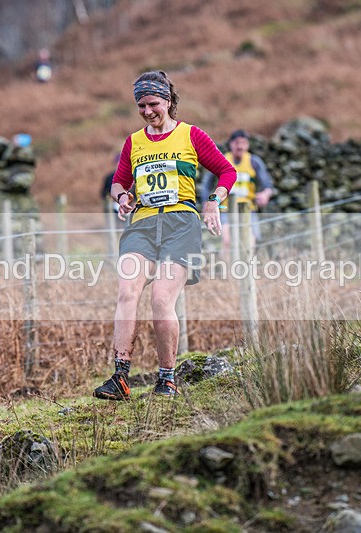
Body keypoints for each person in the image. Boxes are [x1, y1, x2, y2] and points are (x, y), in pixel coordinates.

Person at [93, 70, 236, 400]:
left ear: (168, 101)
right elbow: (118, 182)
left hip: (181, 224)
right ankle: (120, 377)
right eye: (140, 106)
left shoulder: (191, 135)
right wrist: (122, 197)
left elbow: (227, 171)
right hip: (142, 224)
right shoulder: (133, 142)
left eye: (153, 104)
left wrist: (214, 202)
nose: (147, 111)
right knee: (127, 290)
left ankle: (167, 378)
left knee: (160, 298)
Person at [201, 129, 274, 250]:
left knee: (250, 242)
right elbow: (206, 184)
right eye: (237, 143)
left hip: (248, 209)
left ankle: (248, 262)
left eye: (243, 143)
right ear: (231, 144)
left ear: (248, 145)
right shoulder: (222, 160)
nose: (240, 147)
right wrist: (205, 201)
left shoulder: (254, 162)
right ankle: (227, 262)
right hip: (226, 209)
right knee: (227, 242)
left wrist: (265, 194)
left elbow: (268, 185)